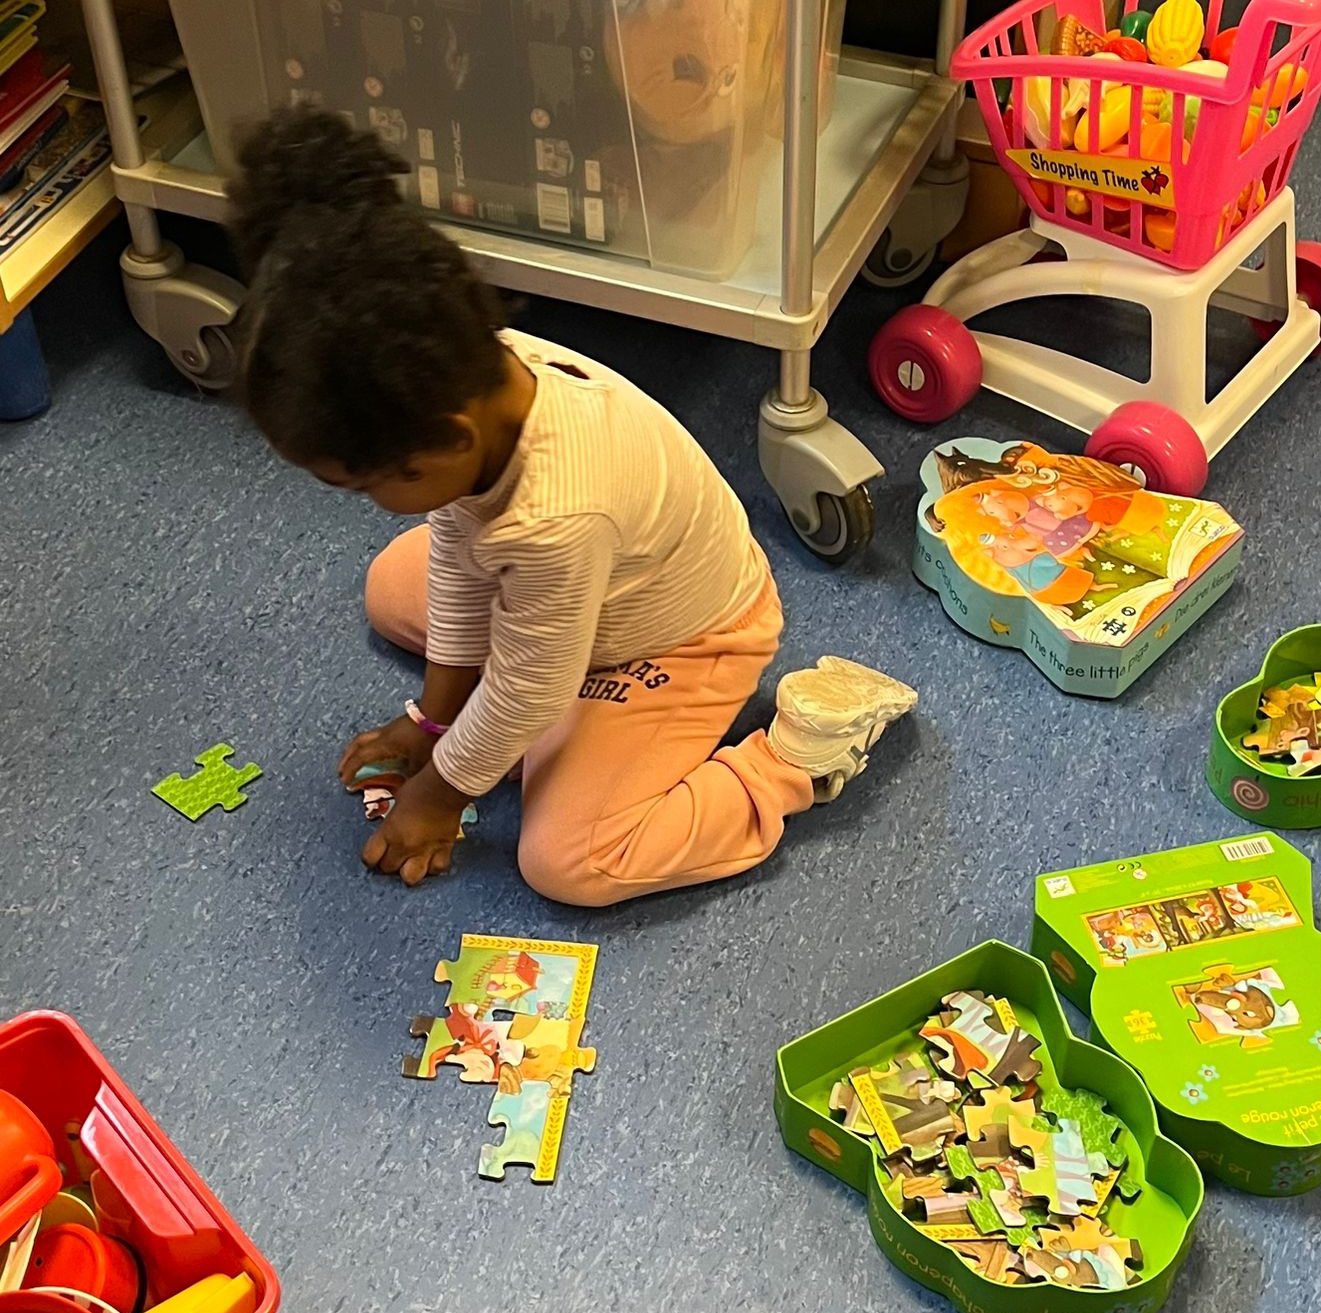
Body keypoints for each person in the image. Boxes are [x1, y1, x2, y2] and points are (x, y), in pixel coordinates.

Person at [227, 107, 916, 906]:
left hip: (687, 639)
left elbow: (527, 688)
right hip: (583, 594)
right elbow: (458, 548)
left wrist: (442, 792)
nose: (369, 503)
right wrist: (432, 722)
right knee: (392, 585)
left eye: (363, 484)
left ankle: (793, 759)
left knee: (569, 860)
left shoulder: (556, 517)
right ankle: (543, 711)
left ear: (449, 441)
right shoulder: (469, 376)